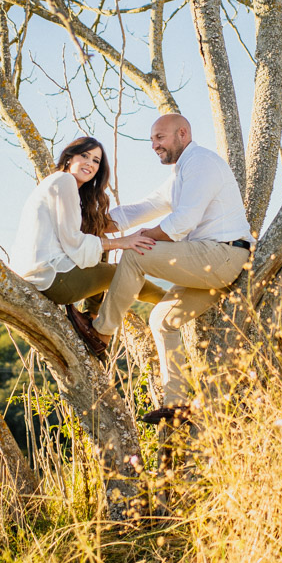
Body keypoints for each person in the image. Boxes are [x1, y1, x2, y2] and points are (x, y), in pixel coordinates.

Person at [79, 114, 253, 424]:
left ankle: (100, 334)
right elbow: (143, 208)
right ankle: (177, 406)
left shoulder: (201, 162)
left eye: (159, 137)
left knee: (135, 255)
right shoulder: (181, 173)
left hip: (222, 256)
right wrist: (94, 225)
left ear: (183, 133)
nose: (154, 145)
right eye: (151, 140)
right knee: (162, 320)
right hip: (211, 264)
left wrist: (141, 237)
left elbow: (182, 222)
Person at [10, 136, 165, 340]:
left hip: (42, 276)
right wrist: (123, 242)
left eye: (95, 160)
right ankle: (171, 300)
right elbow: (74, 241)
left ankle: (91, 315)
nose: (89, 163)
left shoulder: (62, 184)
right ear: (69, 158)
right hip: (50, 277)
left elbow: (100, 228)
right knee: (122, 273)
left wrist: (165, 204)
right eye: (84, 155)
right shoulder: (64, 181)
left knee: (96, 235)